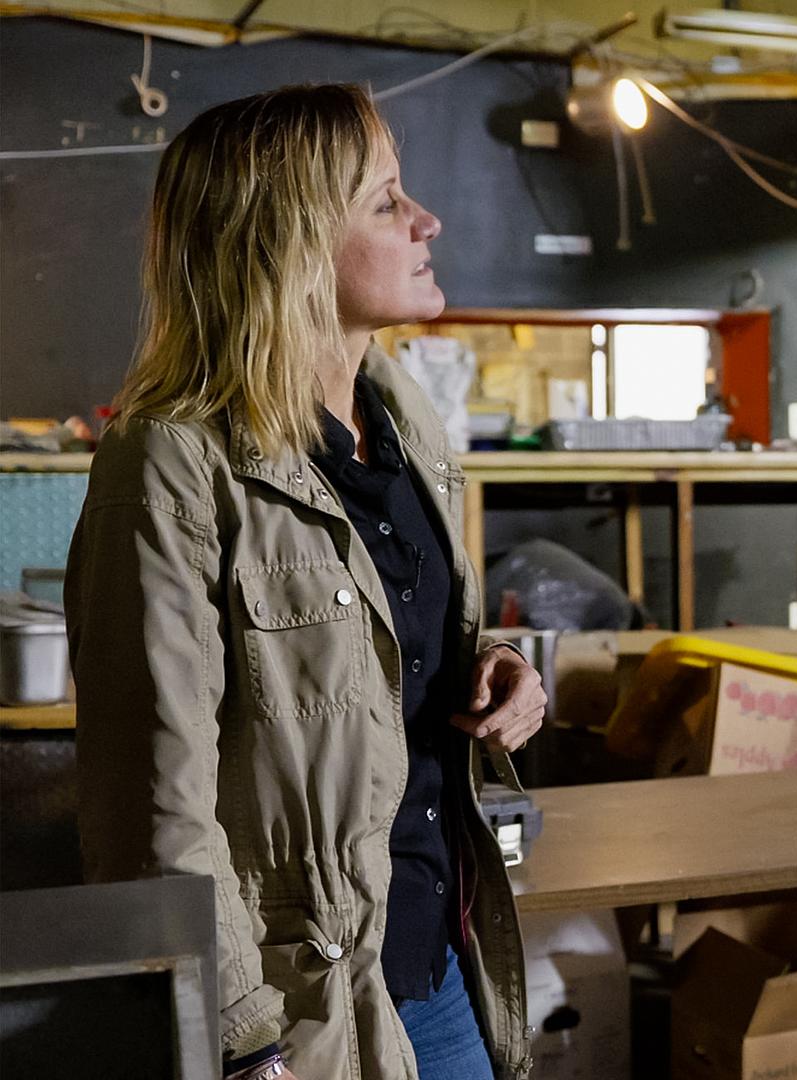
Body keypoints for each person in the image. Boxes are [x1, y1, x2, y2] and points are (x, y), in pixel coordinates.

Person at [67, 84, 544, 1080]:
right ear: (287, 244)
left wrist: (494, 670)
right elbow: (151, 806)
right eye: (386, 201)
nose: (427, 221)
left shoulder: (403, 419)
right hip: (298, 1013)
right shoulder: (170, 463)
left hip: (438, 955)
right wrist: (242, 1040)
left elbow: (384, 654)